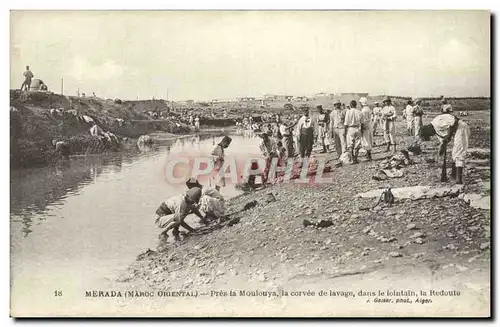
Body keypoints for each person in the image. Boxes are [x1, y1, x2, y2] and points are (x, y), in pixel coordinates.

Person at [419, 104, 470, 184]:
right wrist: (442, 147)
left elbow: (454, 122)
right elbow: (443, 142)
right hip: (457, 130)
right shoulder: (436, 130)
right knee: (455, 153)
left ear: (428, 131)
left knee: (458, 152)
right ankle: (453, 175)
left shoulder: (437, 122)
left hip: (461, 128)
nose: (432, 136)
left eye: (429, 135)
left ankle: (458, 180)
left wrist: (449, 136)